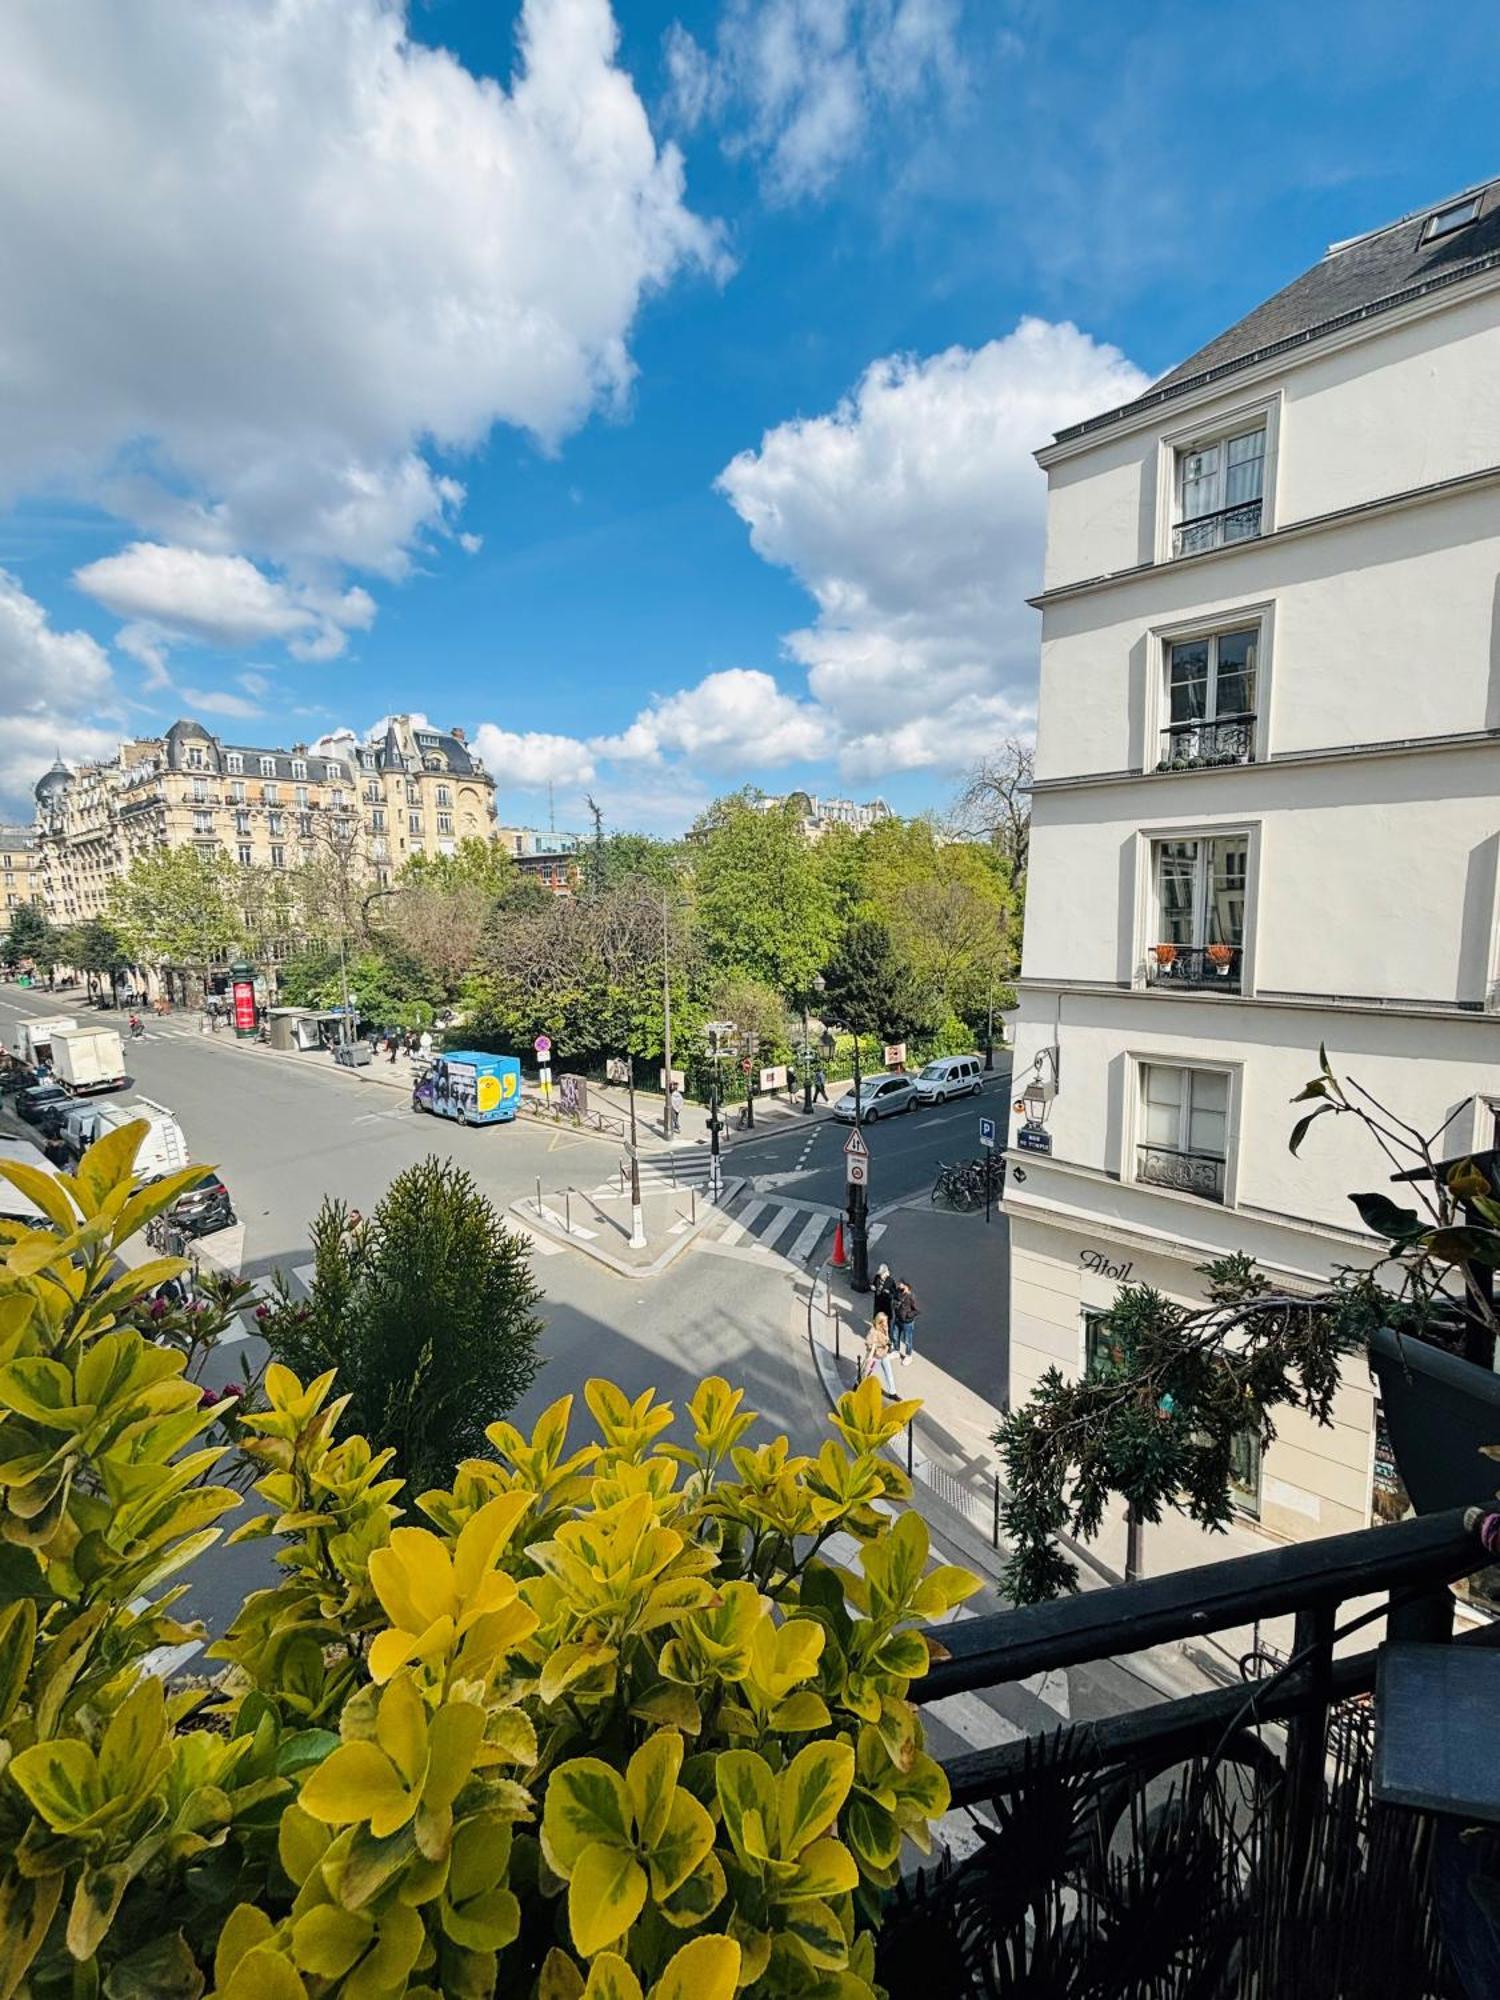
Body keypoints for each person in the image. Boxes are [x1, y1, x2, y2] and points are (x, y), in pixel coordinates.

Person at [861, 1310, 896, 1395]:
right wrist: (870, 1357)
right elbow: (871, 1345)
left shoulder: (884, 1329)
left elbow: (887, 1340)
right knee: (867, 1372)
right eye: (885, 1321)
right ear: (880, 1322)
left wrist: (887, 1331)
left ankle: (893, 1392)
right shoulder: (874, 1332)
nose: (887, 1323)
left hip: (883, 1354)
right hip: (875, 1356)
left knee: (889, 1372)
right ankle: (861, 1385)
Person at [893, 1280, 920, 1365]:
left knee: (907, 1340)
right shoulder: (898, 1292)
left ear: (906, 1286)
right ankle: (896, 1351)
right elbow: (894, 1299)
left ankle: (908, 1356)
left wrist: (908, 1315)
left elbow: (917, 1310)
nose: (899, 1285)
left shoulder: (911, 1297)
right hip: (897, 1319)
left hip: (907, 1322)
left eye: (901, 1284)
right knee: (895, 1336)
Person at [872, 1261, 897, 1331]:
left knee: (886, 1323)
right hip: (878, 1304)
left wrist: (889, 1293)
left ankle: (886, 1337)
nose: (880, 1276)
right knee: (876, 1321)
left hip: (886, 1305)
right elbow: (874, 1284)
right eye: (880, 1274)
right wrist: (873, 1288)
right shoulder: (877, 1277)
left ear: (886, 1273)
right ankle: (877, 1335)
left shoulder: (890, 1281)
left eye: (882, 1274)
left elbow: (894, 1293)